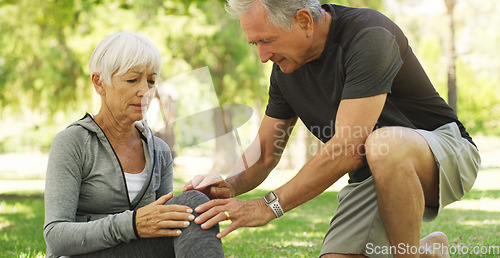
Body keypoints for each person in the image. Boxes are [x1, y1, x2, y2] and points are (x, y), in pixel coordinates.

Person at [183, 1, 481, 257]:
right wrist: (229, 185)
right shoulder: (285, 70)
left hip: (445, 151)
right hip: (372, 174)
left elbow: (348, 148)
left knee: (381, 144)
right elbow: (265, 154)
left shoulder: (369, 35)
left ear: (303, 20)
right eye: (255, 44)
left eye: (267, 41)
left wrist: (268, 206)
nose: (262, 56)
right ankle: (429, 250)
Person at [43, 32, 224, 258]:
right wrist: (133, 224)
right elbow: (56, 236)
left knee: (194, 205)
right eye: (132, 80)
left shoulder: (160, 151)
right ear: (99, 83)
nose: (144, 91)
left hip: (137, 251)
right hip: (83, 254)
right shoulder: (73, 143)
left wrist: (197, 202)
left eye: (150, 81)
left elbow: (167, 226)